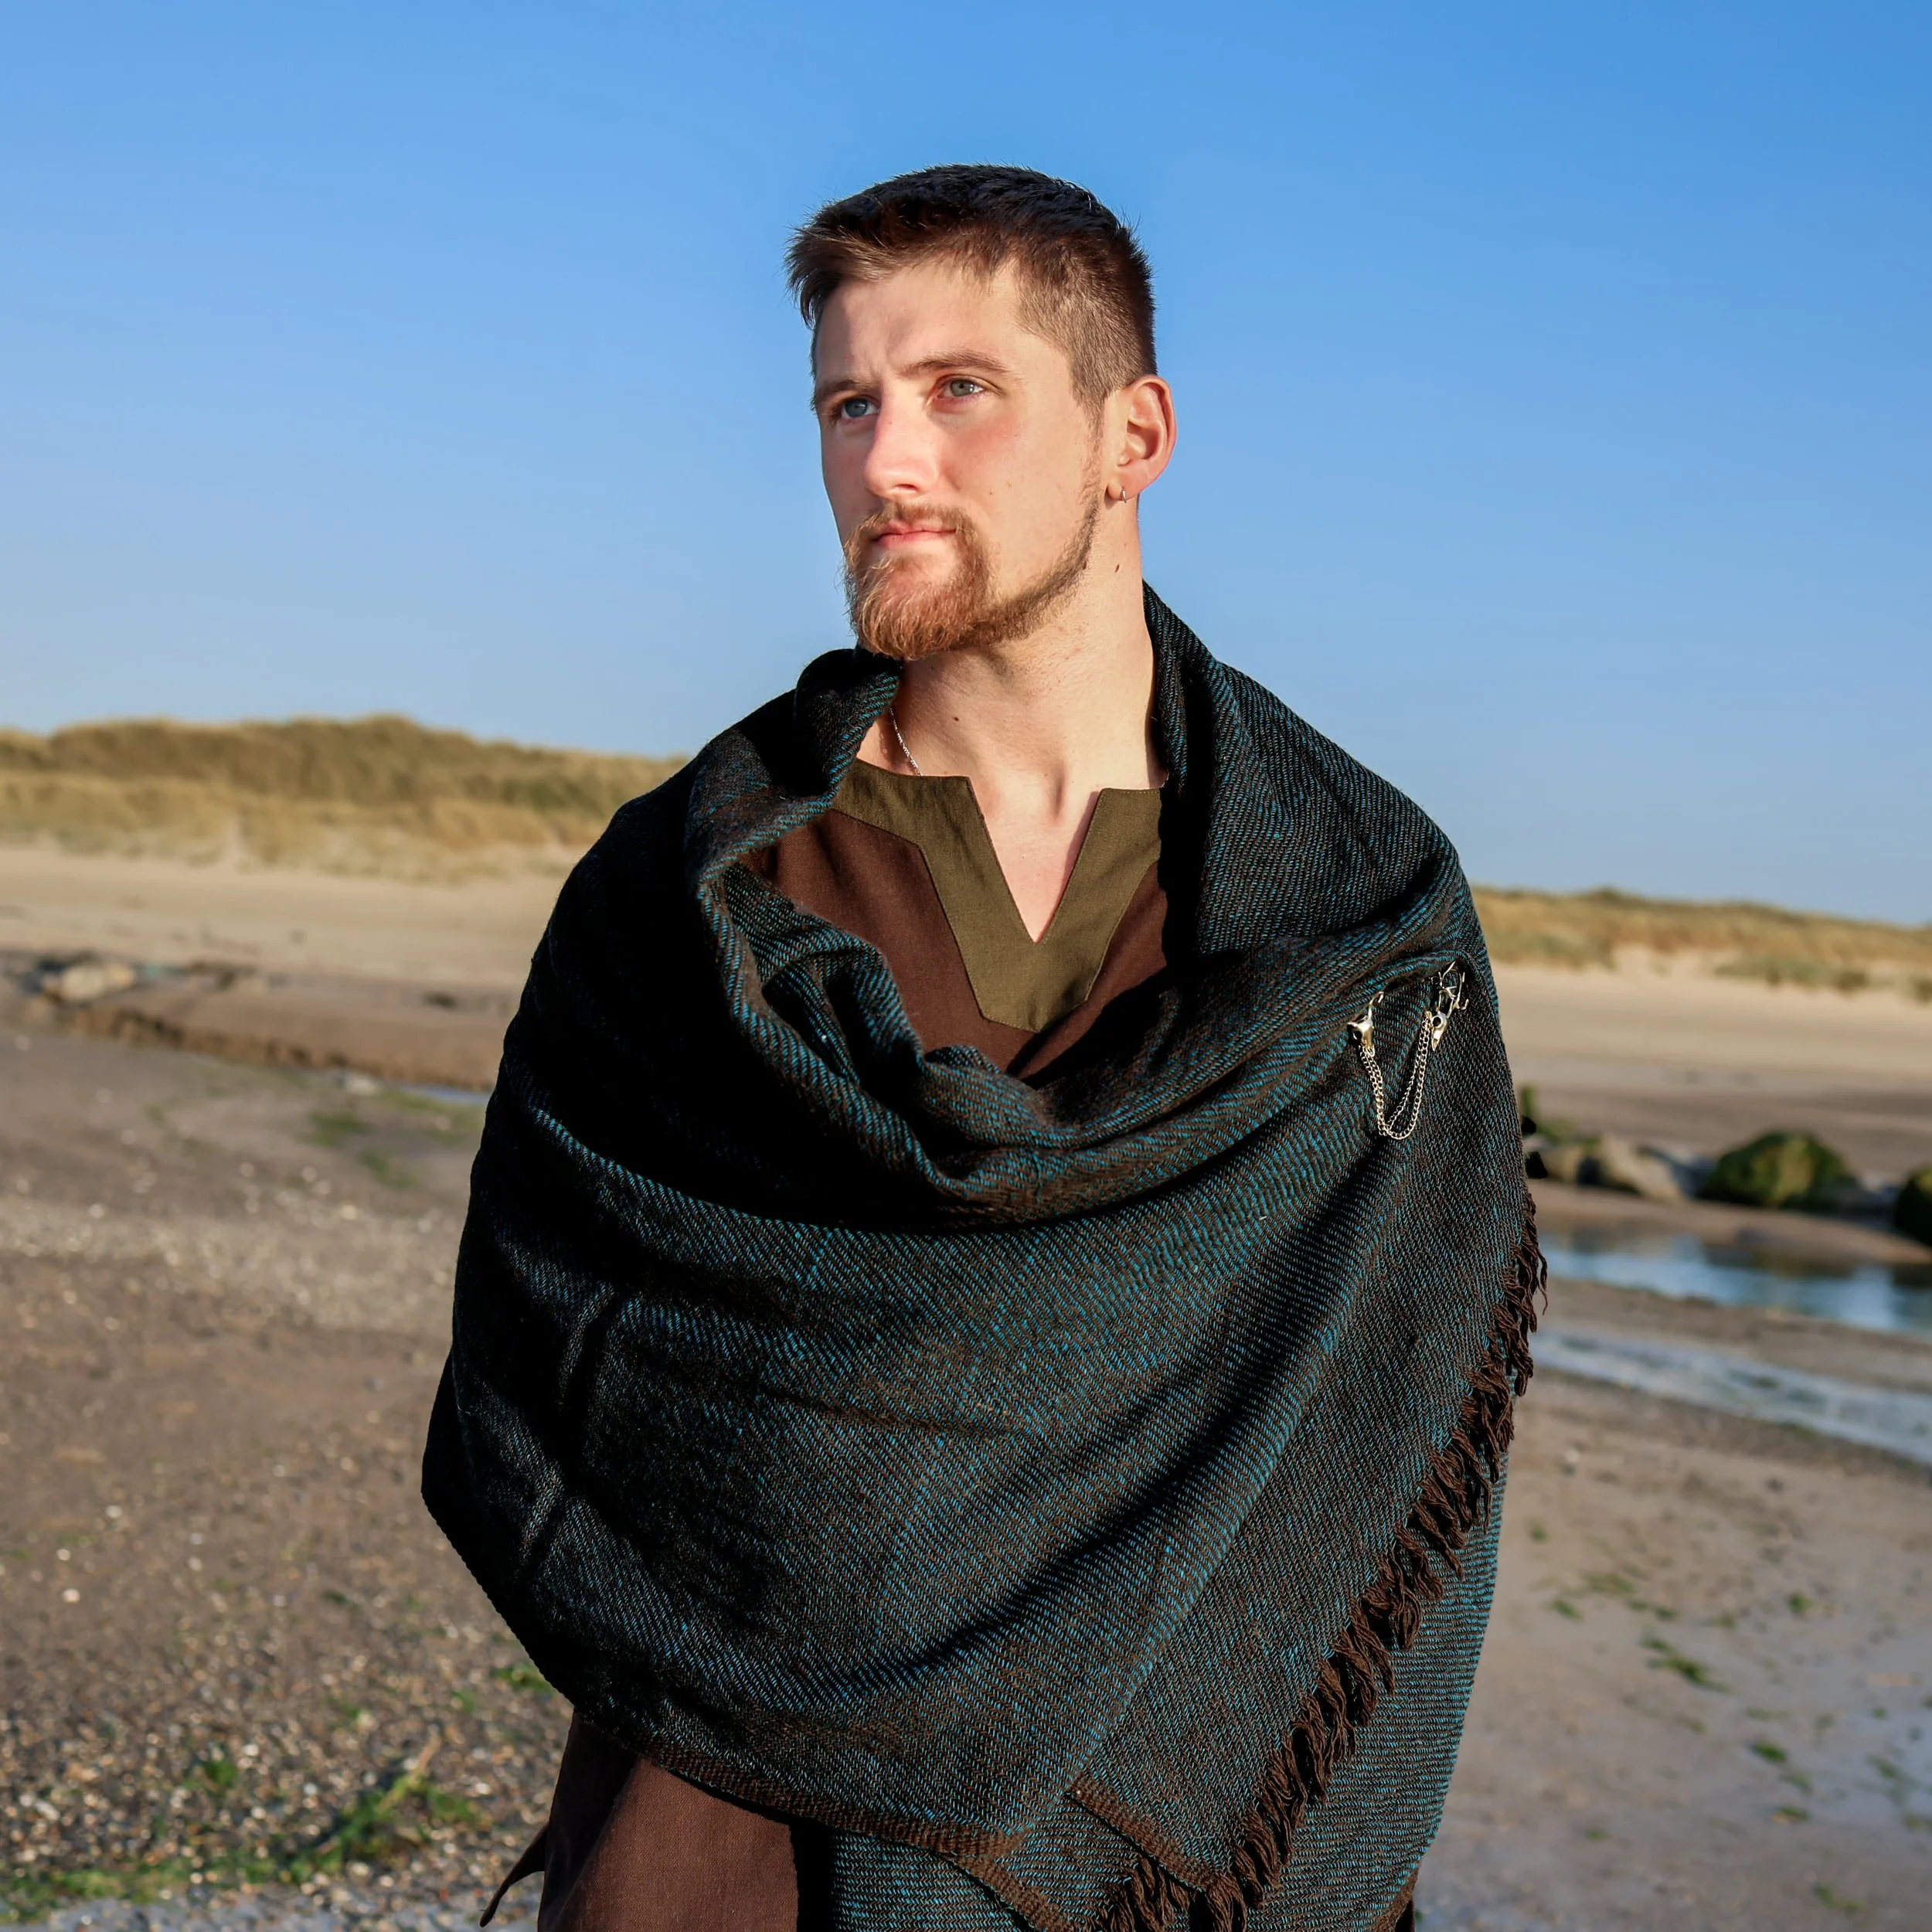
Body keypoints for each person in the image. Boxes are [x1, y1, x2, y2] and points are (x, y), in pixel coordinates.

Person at [426, 165, 1539, 1932]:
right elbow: (564, 1354)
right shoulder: (693, 891)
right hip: (723, 1850)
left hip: (1150, 1859)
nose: (885, 463)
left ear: (1132, 431)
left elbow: (1383, 1406)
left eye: (960, 391)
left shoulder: (1358, 919)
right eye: (847, 403)